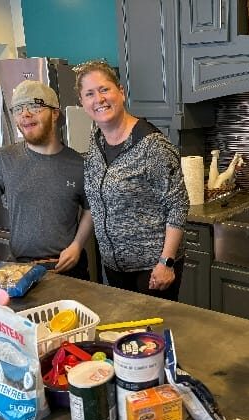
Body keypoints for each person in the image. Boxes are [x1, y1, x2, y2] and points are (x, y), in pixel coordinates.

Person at [74, 60, 189, 300]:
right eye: (90, 94)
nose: (99, 99)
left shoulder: (152, 146)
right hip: (114, 267)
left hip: (152, 270)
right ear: (82, 103)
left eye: (105, 89)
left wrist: (166, 262)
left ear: (121, 92)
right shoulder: (96, 140)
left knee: (153, 336)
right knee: (124, 334)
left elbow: (178, 206)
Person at [0, 80, 94, 280]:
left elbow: (90, 209)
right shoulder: (5, 158)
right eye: (18, 109)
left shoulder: (79, 164)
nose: (25, 114)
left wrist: (77, 245)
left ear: (54, 113)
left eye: (35, 106)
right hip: (20, 268)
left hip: (69, 269)